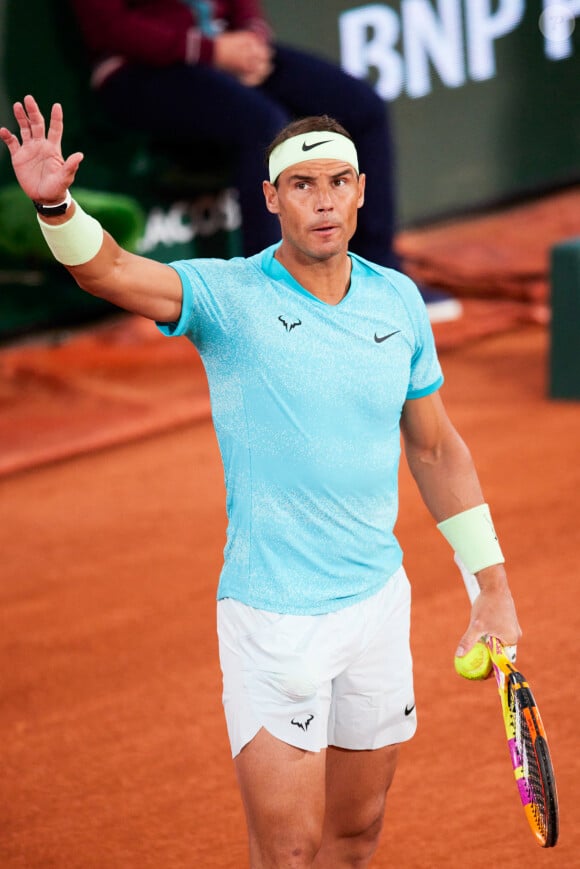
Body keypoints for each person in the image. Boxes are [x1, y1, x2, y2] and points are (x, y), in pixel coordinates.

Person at [0, 96, 520, 868]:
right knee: (289, 851)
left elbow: (437, 449)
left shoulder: (397, 300)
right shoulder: (229, 298)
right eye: (303, 185)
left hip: (377, 606)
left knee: (355, 837)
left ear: (362, 191)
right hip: (274, 621)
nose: (324, 201)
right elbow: (108, 269)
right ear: (271, 196)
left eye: (338, 182)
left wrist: (492, 585)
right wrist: (54, 203)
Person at [66, 0, 461, 323]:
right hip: (137, 71)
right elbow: (108, 28)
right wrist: (210, 51)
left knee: (361, 108)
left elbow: (244, 8)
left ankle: (377, 278)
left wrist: (251, 42)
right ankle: (274, 305)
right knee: (264, 126)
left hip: (226, 52)